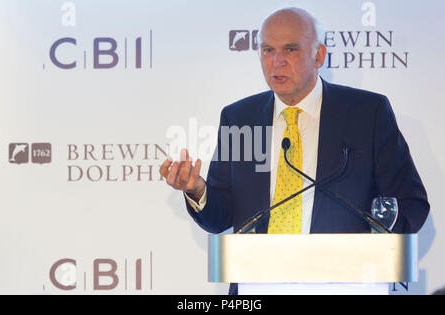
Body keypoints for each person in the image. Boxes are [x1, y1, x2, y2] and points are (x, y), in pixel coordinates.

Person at [159, 7, 429, 294]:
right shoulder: (242, 119)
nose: (277, 62)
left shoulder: (365, 114)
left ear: (319, 55)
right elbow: (220, 218)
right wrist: (197, 190)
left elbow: (410, 204)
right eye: (267, 50)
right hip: (257, 286)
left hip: (345, 284)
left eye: (290, 49)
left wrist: (372, 250)